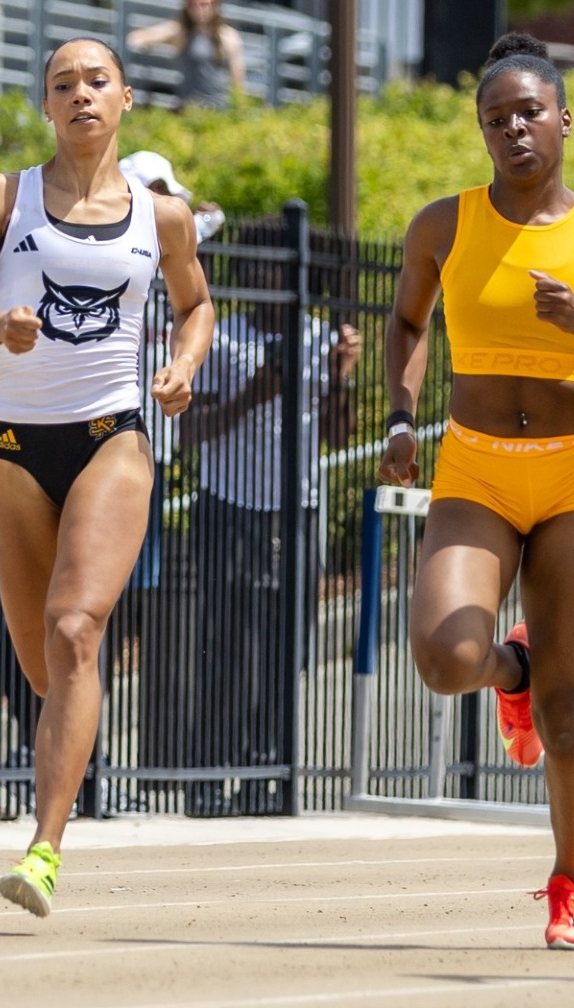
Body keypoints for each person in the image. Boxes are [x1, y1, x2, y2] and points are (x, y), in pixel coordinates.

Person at [378, 32, 574, 950]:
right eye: (495, 118)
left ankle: (571, 882)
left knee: (570, 715)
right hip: (475, 468)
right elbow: (407, 322)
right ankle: (513, 668)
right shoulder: (444, 226)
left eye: (529, 112)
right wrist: (399, 416)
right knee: (443, 659)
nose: (513, 129)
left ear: (564, 120)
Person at [0, 36, 214, 917]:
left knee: (76, 628)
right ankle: (70, 757)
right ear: (45, 106)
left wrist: (183, 366)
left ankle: (44, 849)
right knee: (44, 666)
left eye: (97, 81)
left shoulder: (161, 218)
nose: (81, 94)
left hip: (111, 437)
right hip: (15, 447)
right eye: (64, 84)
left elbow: (196, 304)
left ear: (125, 99)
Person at [181, 292, 361, 816]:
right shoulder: (223, 337)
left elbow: (337, 436)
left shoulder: (320, 340)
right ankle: (209, 779)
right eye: (260, 269)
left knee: (288, 646)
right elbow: (189, 430)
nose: (267, 279)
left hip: (296, 508)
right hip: (229, 503)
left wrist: (340, 377)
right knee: (226, 645)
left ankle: (268, 778)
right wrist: (252, 395)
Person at [128, 0, 246, 110]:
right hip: (190, 108)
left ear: (215, 4)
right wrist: (138, 45)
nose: (199, 8)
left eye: (205, 3)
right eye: (193, 3)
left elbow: (237, 81)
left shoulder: (229, 36)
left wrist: (239, 109)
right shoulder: (181, 31)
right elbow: (143, 36)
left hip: (221, 109)